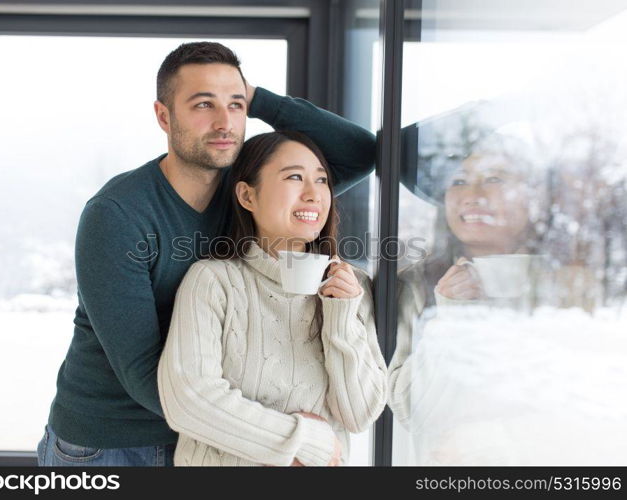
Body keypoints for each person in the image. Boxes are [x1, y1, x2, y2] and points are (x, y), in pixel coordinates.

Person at [36, 42, 376, 466]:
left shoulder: (252, 194)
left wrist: (258, 98)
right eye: (203, 104)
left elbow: (361, 153)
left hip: (210, 435)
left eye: (235, 106)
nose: (224, 122)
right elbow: (145, 371)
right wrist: (277, 436)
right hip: (114, 441)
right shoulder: (119, 215)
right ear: (164, 116)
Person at [158, 130, 387, 466]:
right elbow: (189, 401)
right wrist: (308, 441)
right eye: (295, 177)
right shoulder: (213, 281)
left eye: (321, 180)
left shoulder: (353, 288)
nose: (313, 194)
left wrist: (341, 316)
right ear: (247, 196)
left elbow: (359, 414)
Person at [387, 136, 539, 430]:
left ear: (532, 198)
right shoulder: (416, 284)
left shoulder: (564, 280)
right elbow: (408, 406)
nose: (473, 194)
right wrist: (450, 317)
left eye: (494, 179)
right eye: (458, 181)